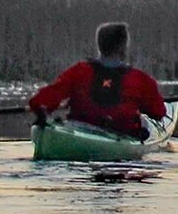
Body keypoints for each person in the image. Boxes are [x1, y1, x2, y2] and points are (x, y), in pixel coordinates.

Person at [30, 21, 168, 139]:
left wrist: (41, 107)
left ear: (100, 45)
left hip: (81, 129)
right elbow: (159, 112)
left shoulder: (79, 71)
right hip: (121, 134)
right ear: (122, 47)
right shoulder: (141, 79)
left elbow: (41, 100)